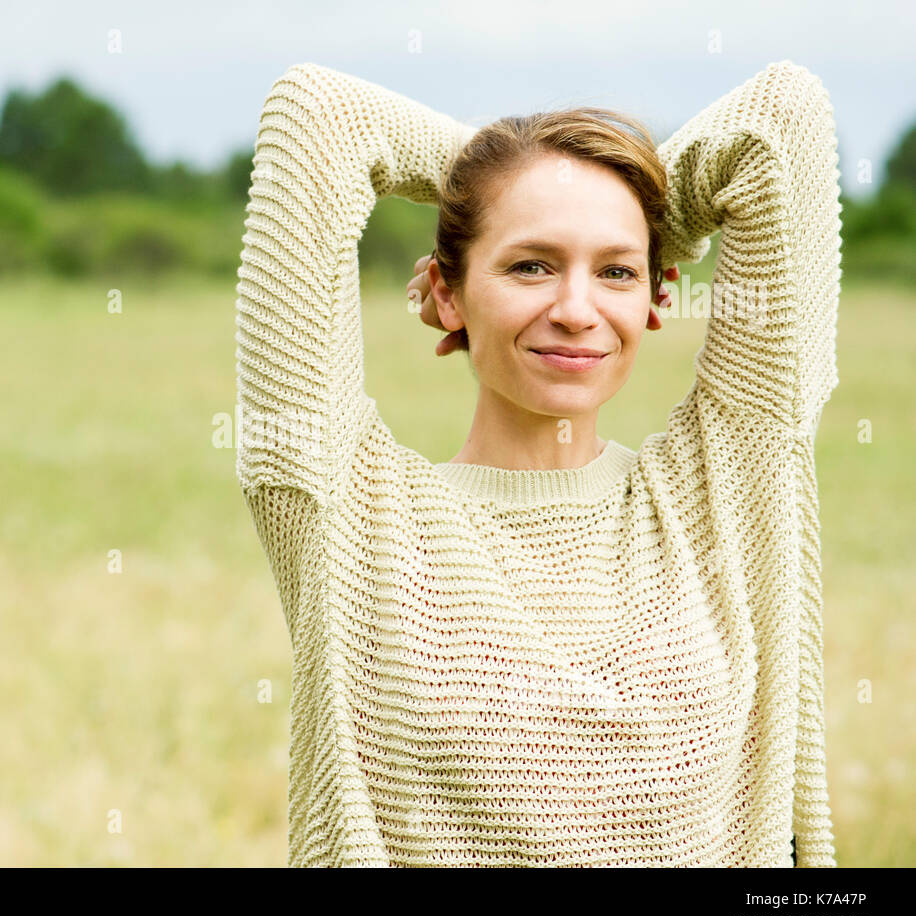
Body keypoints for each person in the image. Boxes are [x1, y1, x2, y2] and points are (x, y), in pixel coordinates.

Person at [234, 59, 841, 866]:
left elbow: (778, 126)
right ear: (447, 294)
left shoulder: (722, 486)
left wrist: (586, 184)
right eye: (530, 264)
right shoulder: (353, 512)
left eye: (617, 271)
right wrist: (505, 170)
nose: (577, 310)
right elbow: (318, 117)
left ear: (656, 298)